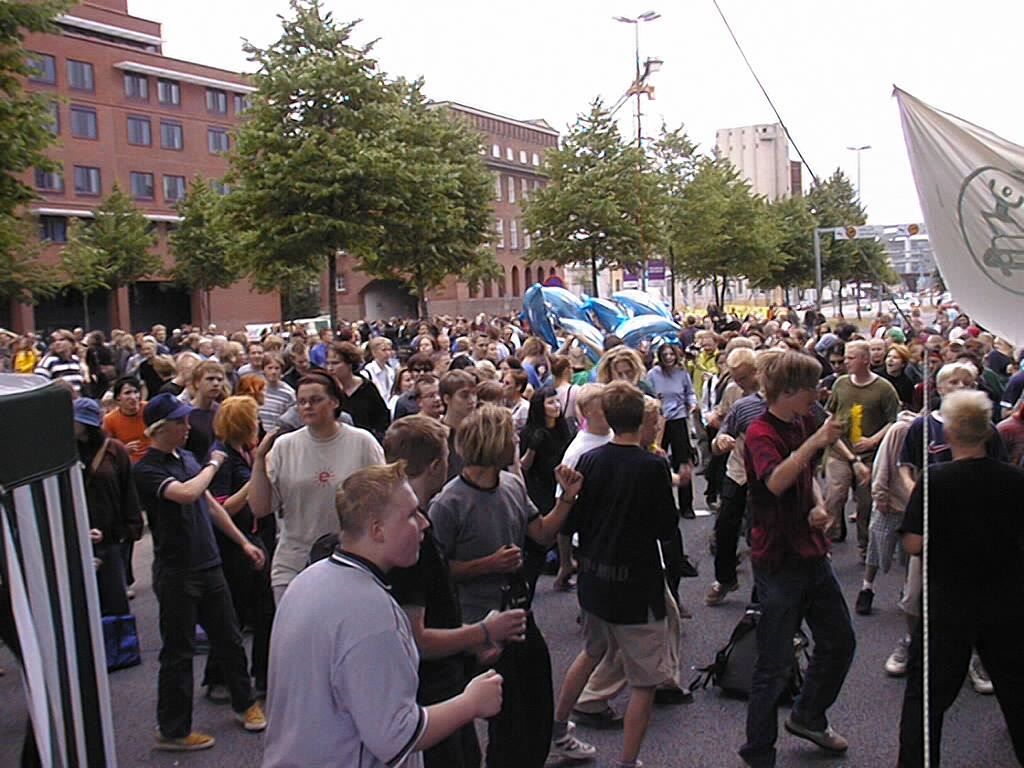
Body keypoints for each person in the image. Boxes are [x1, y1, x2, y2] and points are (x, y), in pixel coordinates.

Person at [261, 462, 505, 768]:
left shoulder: (306, 581)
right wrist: (471, 703)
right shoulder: (372, 613)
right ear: (378, 530)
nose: (424, 523)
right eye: (412, 515)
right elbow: (397, 737)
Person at [429, 404, 588, 768]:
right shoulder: (449, 503)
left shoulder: (512, 485)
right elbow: (435, 574)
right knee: (503, 721)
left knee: (535, 710)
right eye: (510, 436)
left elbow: (542, 533)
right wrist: (486, 564)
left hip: (518, 615)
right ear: (494, 442)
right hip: (477, 624)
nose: (516, 441)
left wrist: (567, 498)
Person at [385, 416, 527, 768]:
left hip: (439, 677)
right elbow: (415, 638)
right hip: (428, 687)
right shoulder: (411, 539)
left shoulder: (409, 523)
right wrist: (483, 632)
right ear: (436, 466)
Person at [553, 382, 682, 768]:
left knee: (591, 651)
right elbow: (666, 526)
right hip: (637, 585)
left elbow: (574, 520)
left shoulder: (590, 460)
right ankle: (627, 761)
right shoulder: (653, 466)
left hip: (595, 577)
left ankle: (557, 728)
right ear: (643, 421)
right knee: (645, 681)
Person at [739, 350, 856, 768]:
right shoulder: (760, 432)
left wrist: (819, 505)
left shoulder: (803, 422)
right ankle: (758, 751)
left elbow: (806, 478)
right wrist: (817, 441)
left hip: (811, 551)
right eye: (811, 388)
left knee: (840, 642)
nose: (817, 394)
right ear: (789, 391)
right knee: (773, 663)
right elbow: (775, 481)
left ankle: (808, 716)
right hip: (778, 558)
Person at [133, 394, 268, 751]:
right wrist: (213, 464)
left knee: (229, 637)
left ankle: (245, 703)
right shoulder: (147, 469)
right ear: (160, 428)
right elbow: (188, 493)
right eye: (179, 422)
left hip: (209, 563)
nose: (187, 427)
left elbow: (210, 506)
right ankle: (173, 730)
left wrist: (242, 542)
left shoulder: (186, 457)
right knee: (178, 652)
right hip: (176, 571)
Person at [896, 390, 1024, 767]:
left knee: (925, 700)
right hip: (1006, 600)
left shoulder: (936, 479)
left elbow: (913, 543)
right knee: (1017, 692)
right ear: (988, 432)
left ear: (949, 434)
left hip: (949, 602)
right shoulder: (1015, 479)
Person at [249, 371, 384, 603]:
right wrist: (259, 461)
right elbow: (260, 508)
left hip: (348, 557)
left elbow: (383, 498)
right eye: (301, 402)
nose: (307, 406)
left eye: (315, 400)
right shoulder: (285, 446)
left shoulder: (363, 442)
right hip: (294, 560)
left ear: (334, 402)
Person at [204, 396, 276, 701]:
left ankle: (263, 674)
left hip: (252, 537)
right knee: (235, 613)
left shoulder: (243, 451)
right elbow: (222, 508)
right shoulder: (222, 457)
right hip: (232, 544)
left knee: (261, 611)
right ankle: (220, 677)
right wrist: (256, 478)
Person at [823, 340, 900, 552]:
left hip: (869, 454)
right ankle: (824, 543)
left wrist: (873, 440)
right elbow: (830, 413)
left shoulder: (884, 388)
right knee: (834, 497)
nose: (846, 362)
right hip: (839, 450)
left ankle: (866, 546)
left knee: (866, 503)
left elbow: (893, 420)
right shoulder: (840, 384)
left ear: (865, 360)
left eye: (851, 358)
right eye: (845, 358)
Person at [73, 398, 143, 617]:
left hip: (111, 536)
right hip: (79, 536)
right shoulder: (67, 452)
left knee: (115, 600)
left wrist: (128, 529)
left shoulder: (114, 450)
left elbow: (128, 491)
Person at [645, 343, 697, 518]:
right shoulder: (653, 374)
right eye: (665, 355)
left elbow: (690, 392)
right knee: (658, 459)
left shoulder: (682, 373)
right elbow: (648, 395)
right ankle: (662, 503)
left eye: (671, 354)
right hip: (660, 420)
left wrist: (692, 403)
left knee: (683, 461)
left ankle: (686, 505)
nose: (668, 357)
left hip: (678, 418)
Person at [326, 341, 390, 440]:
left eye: (335, 363)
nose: (330, 368)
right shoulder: (327, 391)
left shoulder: (367, 388)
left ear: (349, 364)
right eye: (328, 363)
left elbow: (382, 419)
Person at [439, 369, 478, 480]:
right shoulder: (437, 435)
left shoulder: (480, 432)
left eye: (474, 394)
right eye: (464, 395)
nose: (472, 400)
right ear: (447, 398)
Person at [257, 353, 295, 432]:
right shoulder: (257, 389)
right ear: (263, 370)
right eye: (270, 368)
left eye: (277, 368)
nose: (273, 372)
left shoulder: (288, 393)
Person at [362, 337, 396, 402]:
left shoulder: (390, 371)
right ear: (374, 352)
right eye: (384, 350)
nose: (388, 353)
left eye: (389, 350)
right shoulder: (367, 372)